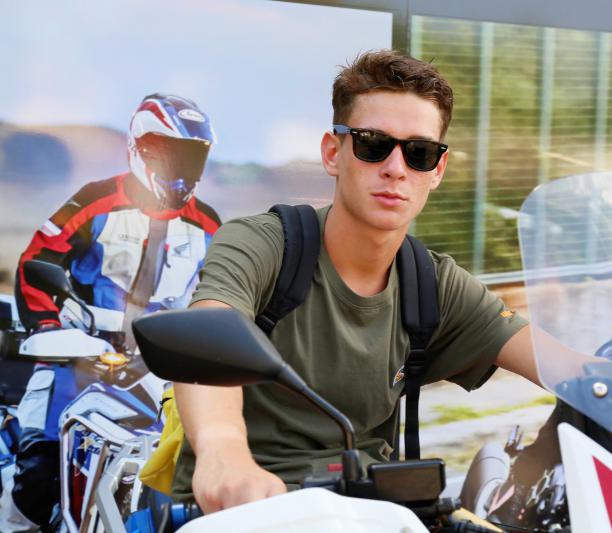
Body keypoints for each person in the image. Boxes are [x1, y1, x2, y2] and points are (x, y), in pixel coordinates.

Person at [172, 50, 552, 513]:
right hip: (240, 509)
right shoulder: (264, 243)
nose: (396, 168)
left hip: (368, 512)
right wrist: (224, 454)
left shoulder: (432, 282)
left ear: (437, 170)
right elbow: (209, 335)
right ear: (333, 153)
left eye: (419, 152)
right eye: (373, 144)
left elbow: (568, 370)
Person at [1, 93, 222, 531]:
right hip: (78, 361)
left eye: (192, 156)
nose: (183, 167)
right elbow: (36, 262)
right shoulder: (95, 200)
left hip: (160, 375)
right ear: (143, 148)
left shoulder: (208, 224)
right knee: (38, 476)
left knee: (178, 483)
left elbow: (223, 296)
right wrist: (48, 326)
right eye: (173, 153)